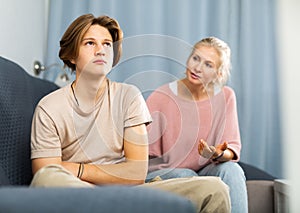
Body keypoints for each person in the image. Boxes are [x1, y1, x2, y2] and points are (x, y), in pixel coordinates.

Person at [29, 14, 231, 212]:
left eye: (107, 44)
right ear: (71, 55)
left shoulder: (129, 96)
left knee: (215, 189)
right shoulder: (49, 107)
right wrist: (95, 190)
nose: (101, 50)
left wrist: (79, 169)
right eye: (90, 43)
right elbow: (46, 174)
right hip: (80, 195)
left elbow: (136, 173)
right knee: (48, 178)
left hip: (129, 195)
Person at [146, 37, 248, 213]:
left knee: (232, 170)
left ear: (218, 74)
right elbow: (142, 153)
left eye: (208, 64)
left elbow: (232, 148)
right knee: (188, 177)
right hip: (164, 172)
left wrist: (218, 153)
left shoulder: (226, 97)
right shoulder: (161, 96)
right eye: (195, 58)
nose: (197, 68)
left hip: (205, 170)